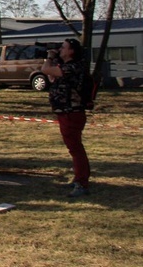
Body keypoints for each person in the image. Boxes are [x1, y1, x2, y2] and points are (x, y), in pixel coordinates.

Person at [42, 38, 91, 198]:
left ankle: (82, 183)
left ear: (71, 51)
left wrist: (49, 57)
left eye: (63, 48)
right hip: (65, 112)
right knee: (74, 148)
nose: (60, 50)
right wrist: (54, 59)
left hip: (72, 112)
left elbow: (45, 70)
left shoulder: (73, 67)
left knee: (76, 149)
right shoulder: (65, 66)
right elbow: (52, 77)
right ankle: (79, 178)